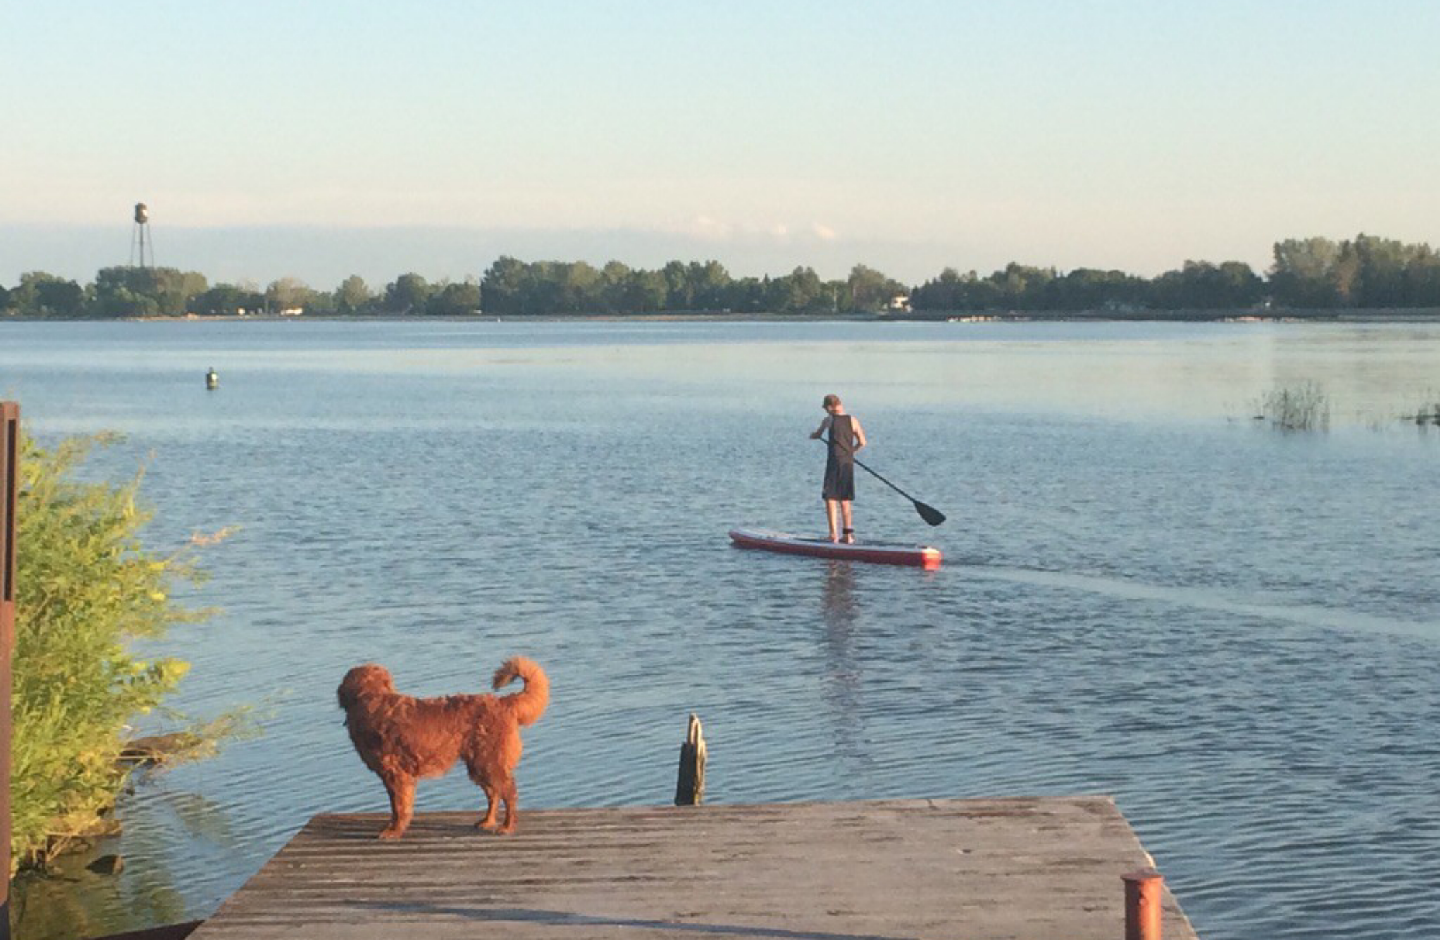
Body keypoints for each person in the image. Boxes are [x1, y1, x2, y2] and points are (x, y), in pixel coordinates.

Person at [809, 393, 867, 543]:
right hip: (848, 463)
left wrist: (813, 436)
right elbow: (862, 442)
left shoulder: (829, 420)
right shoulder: (853, 420)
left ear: (829, 407)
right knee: (845, 499)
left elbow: (817, 434)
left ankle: (833, 534)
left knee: (830, 498)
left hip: (834, 463)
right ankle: (848, 536)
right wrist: (850, 453)